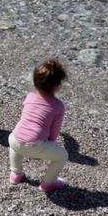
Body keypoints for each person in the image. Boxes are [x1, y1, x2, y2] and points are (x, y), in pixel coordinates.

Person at [8, 59, 69, 192]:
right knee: (63, 155)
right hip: (36, 144)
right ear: (58, 85)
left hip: (14, 138)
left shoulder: (30, 96)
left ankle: (16, 174)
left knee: (15, 145)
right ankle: (48, 183)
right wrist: (49, 144)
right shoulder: (58, 105)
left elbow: (25, 115)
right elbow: (54, 131)